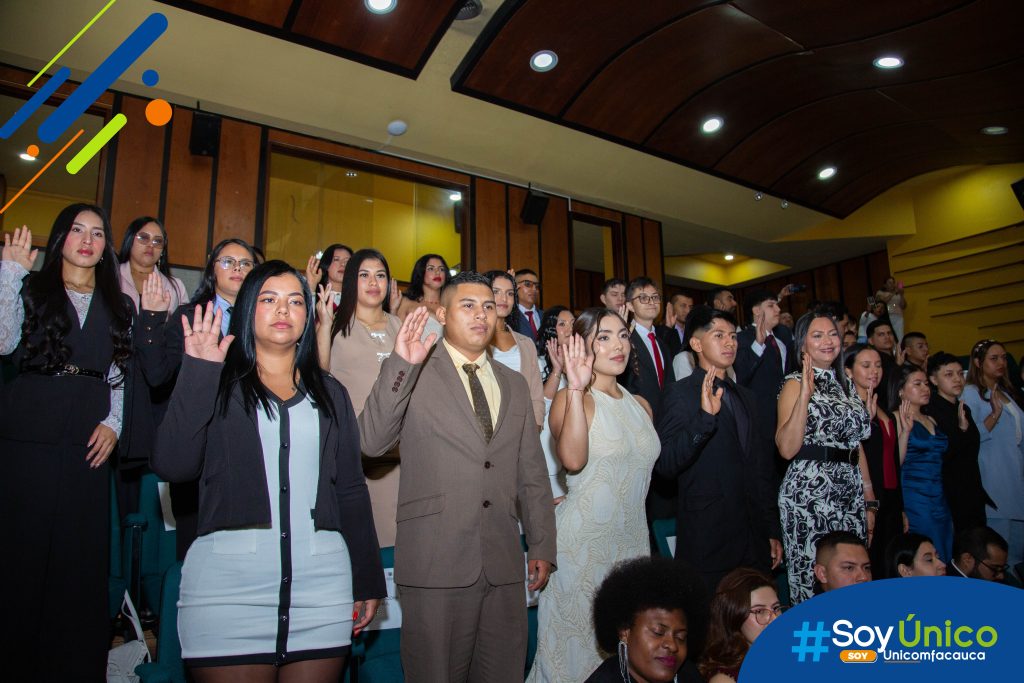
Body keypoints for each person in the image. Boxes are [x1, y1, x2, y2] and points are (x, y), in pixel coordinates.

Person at [151, 261, 385, 679]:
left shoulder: (331, 393)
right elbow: (173, 465)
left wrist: (367, 578)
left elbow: (350, 488)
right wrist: (199, 371)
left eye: (295, 301)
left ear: (308, 315)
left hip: (322, 587)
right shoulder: (216, 379)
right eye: (269, 299)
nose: (283, 310)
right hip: (226, 590)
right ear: (246, 311)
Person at [358, 272, 556, 682]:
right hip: (435, 562)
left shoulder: (515, 385)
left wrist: (541, 542)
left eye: (488, 306)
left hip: (502, 563)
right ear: (442, 314)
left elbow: (532, 471)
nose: (481, 314)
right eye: (468, 305)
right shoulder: (415, 367)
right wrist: (402, 364)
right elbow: (372, 441)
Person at [0, 208, 133, 680]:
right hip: (27, 435)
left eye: (98, 233)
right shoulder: (31, 287)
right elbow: (2, 342)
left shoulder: (119, 305)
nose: (87, 239)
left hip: (87, 444)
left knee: (78, 569)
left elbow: (119, 375)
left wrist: (115, 423)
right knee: (19, 560)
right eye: (78, 230)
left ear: (106, 247)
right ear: (61, 238)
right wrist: (10, 270)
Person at [528, 308, 660, 682]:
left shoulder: (641, 405)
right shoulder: (575, 402)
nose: (617, 344)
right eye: (603, 337)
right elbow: (571, 459)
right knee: (577, 659)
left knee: (625, 658)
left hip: (632, 545)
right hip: (582, 549)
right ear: (581, 347)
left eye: (621, 335)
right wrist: (573, 386)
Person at [137, 237, 258, 559]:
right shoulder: (190, 317)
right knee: (196, 550)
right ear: (212, 269)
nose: (237, 269)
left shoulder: (265, 321)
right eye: (228, 262)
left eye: (245, 263)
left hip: (250, 448)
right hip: (198, 447)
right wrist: (150, 318)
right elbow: (157, 375)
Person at [656, 306, 781, 592]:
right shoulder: (681, 393)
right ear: (697, 344)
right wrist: (704, 420)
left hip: (753, 538)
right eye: (719, 335)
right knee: (713, 630)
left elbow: (761, 469)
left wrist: (771, 529)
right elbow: (666, 464)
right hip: (709, 538)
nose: (730, 343)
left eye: (734, 336)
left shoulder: (747, 397)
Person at [776, 308, 871, 603]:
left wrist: (870, 499)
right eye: (817, 336)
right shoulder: (793, 382)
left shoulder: (848, 384)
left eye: (832, 334)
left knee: (853, 576)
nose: (827, 341)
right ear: (802, 344)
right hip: (809, 494)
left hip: (849, 490)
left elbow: (857, 445)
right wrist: (805, 395)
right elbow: (786, 448)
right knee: (813, 579)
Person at [315, 248, 404, 547]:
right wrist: (324, 328)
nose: (373, 282)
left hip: (403, 453)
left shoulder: (399, 326)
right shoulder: (336, 325)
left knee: (402, 545)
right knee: (368, 546)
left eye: (380, 275)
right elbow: (319, 381)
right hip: (355, 452)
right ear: (351, 280)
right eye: (364, 275)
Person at [115, 216, 188, 513]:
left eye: (158, 241)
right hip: (119, 376)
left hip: (159, 382)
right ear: (129, 239)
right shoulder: (110, 277)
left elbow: (179, 338)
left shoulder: (174, 285)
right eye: (144, 238)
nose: (150, 246)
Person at [586, 556, 703, 683]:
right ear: (624, 632)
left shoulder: (688, 675)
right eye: (658, 632)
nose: (673, 645)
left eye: (681, 637)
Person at [960, 339, 1024, 571]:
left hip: (1015, 478)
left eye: (1004, 358)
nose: (1001, 363)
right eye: (994, 358)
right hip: (993, 480)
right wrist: (995, 414)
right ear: (978, 362)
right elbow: (970, 436)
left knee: (1017, 551)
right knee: (1000, 552)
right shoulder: (970, 394)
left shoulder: (1007, 392)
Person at [843, 344, 904, 576]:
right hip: (866, 499)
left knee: (891, 565)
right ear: (848, 370)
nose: (874, 371)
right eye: (866, 365)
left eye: (878, 365)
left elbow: (893, 462)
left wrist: (901, 507)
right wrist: (868, 502)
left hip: (890, 498)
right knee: (871, 564)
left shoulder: (884, 409)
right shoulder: (849, 410)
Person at [924, 351, 992, 535]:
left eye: (960, 374)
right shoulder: (930, 410)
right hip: (949, 493)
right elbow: (941, 454)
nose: (957, 379)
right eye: (949, 374)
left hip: (971, 488)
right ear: (933, 379)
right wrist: (961, 430)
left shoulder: (963, 408)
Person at [892, 364, 954, 564]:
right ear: (901, 390)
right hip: (915, 498)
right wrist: (906, 432)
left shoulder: (931, 419)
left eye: (926, 384)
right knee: (924, 553)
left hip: (940, 497)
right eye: (917, 384)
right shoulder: (895, 417)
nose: (925, 388)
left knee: (944, 549)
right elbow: (894, 464)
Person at [734, 290, 796, 461]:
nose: (778, 309)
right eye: (771, 305)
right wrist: (758, 344)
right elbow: (740, 375)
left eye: (777, 305)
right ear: (756, 311)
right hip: (757, 424)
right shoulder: (740, 339)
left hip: (784, 421)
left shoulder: (782, 341)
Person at [485, 270, 545, 428]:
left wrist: (536, 425)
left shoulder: (526, 343)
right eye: (496, 292)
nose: (504, 299)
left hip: (522, 426)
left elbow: (536, 393)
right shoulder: (473, 340)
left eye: (510, 293)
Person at [699, 568, 782, 683]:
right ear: (735, 617)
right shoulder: (724, 680)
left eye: (776, 608)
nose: (774, 618)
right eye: (760, 611)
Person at [620, 276, 675, 414]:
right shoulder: (624, 341)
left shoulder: (662, 344)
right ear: (630, 306)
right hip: (637, 417)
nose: (651, 302)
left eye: (655, 297)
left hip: (666, 420)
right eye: (643, 298)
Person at [537, 305, 575, 499]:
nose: (569, 329)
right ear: (551, 329)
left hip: (575, 451)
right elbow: (540, 405)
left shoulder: (580, 362)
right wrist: (557, 370)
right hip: (547, 453)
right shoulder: (538, 362)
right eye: (562, 324)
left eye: (572, 323)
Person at [394, 253, 449, 336]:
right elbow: (393, 334)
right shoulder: (405, 302)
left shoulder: (452, 304)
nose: (437, 272)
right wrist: (392, 310)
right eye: (431, 268)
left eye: (441, 269)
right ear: (420, 272)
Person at [305, 243, 353, 314]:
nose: (343, 264)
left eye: (347, 261)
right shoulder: (316, 296)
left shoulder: (358, 299)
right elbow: (307, 321)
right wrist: (311, 287)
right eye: (336, 259)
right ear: (326, 264)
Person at [657, 292, 694, 358]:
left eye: (690, 307)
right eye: (683, 306)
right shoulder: (661, 331)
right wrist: (668, 328)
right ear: (671, 307)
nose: (688, 311)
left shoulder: (694, 331)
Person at [874, 277, 906, 341]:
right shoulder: (880, 293)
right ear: (885, 285)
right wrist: (894, 292)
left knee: (900, 337)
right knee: (889, 336)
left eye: (893, 283)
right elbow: (884, 301)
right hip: (886, 317)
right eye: (890, 283)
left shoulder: (897, 294)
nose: (892, 284)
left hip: (898, 317)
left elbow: (903, 306)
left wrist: (901, 295)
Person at [515, 268, 543, 339]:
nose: (534, 289)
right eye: (528, 284)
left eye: (537, 286)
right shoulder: (509, 318)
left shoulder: (545, 317)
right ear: (515, 287)